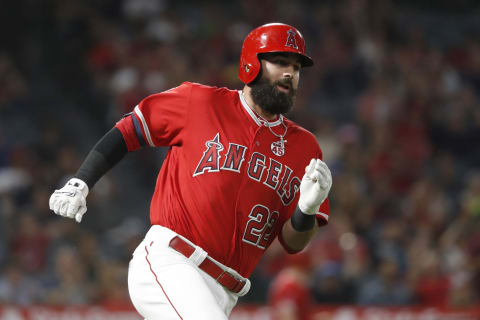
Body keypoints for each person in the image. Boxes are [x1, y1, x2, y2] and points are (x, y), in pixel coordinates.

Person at [49, 22, 332, 320]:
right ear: (252, 63)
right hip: (172, 260)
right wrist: (82, 180)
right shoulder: (200, 102)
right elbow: (130, 129)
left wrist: (307, 208)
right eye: (280, 62)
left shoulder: (304, 147)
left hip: (226, 292)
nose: (290, 73)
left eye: (297, 66)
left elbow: (293, 242)